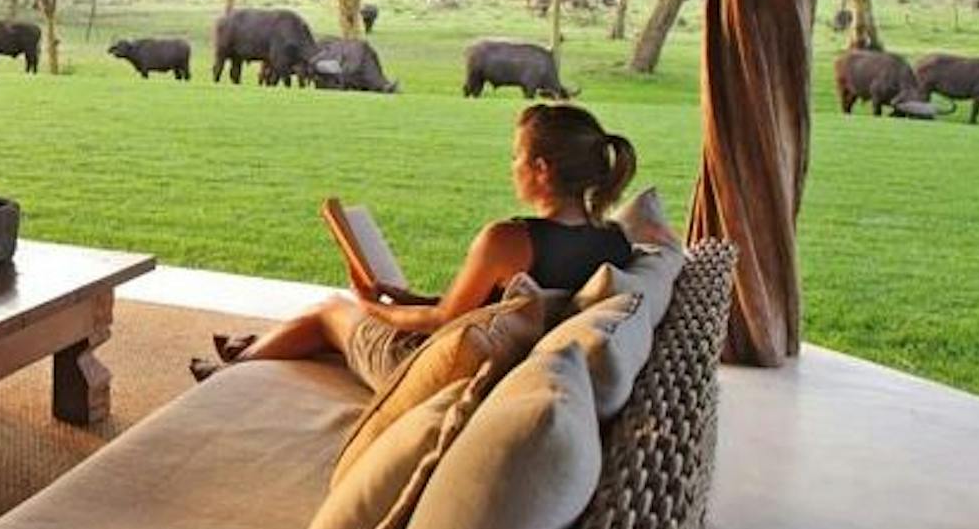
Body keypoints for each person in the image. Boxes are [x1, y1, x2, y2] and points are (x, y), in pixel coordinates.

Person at [195, 103, 669, 386]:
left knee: (330, 310)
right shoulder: (615, 242)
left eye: (516, 157)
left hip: (433, 368)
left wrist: (374, 308)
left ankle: (231, 372)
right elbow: (493, 306)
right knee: (351, 312)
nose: (513, 167)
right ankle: (252, 345)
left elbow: (444, 323)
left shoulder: (510, 238)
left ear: (541, 169)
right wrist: (409, 299)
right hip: (494, 354)